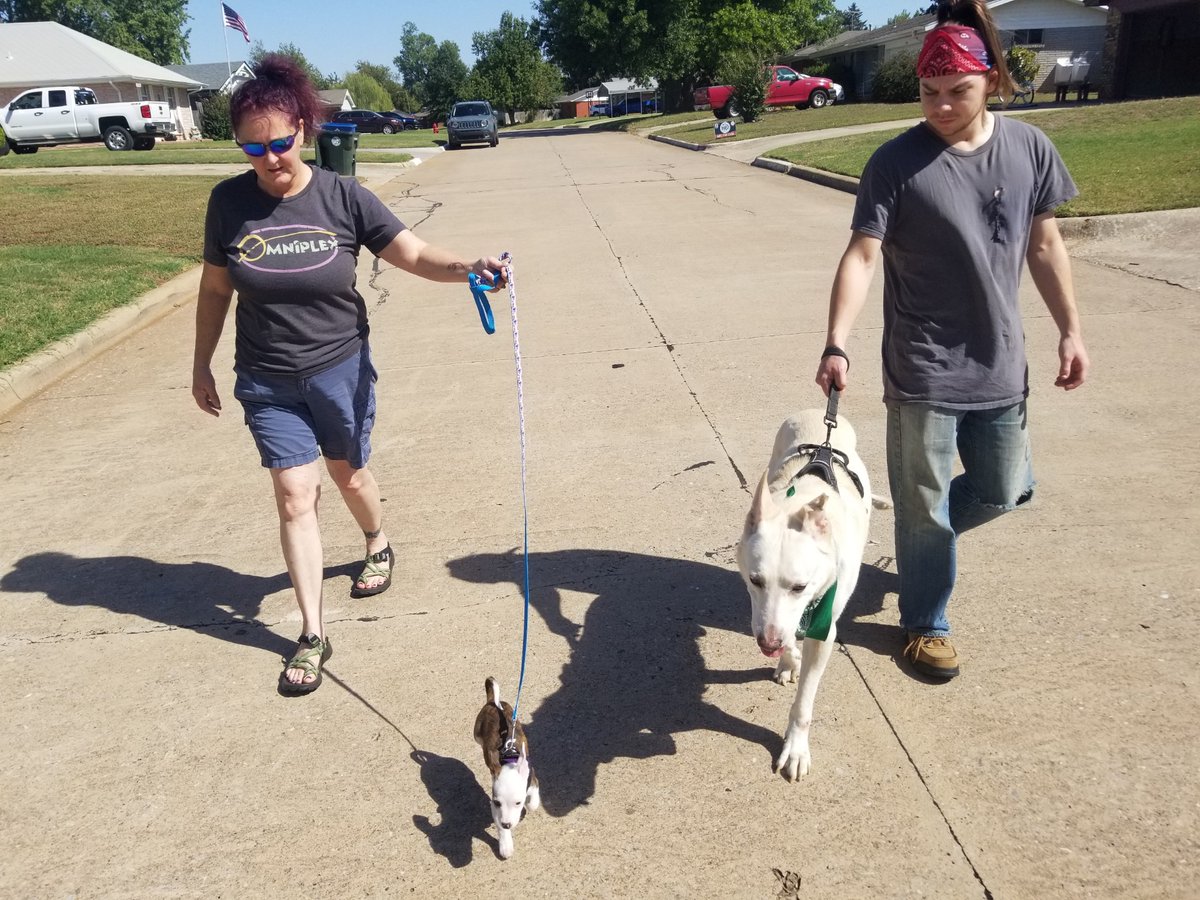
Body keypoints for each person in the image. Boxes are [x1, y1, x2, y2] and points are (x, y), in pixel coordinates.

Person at [191, 55, 508, 695]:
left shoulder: (342, 196)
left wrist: (466, 267)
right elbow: (216, 288)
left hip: (340, 369)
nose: (270, 158)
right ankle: (312, 634)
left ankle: (376, 539)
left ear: (304, 130)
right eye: (254, 147)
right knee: (293, 495)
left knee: (349, 473)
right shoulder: (228, 204)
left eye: (280, 142)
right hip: (267, 378)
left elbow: (412, 252)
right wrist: (199, 363)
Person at [814, 0, 1089, 680]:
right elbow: (861, 255)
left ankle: (919, 543)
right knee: (927, 508)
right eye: (929, 93)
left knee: (1004, 489)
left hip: (1001, 362)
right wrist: (836, 341)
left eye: (956, 92)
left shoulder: (1030, 148)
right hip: (923, 369)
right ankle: (924, 623)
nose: (940, 106)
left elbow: (1045, 244)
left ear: (992, 79)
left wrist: (1071, 331)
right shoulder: (895, 163)